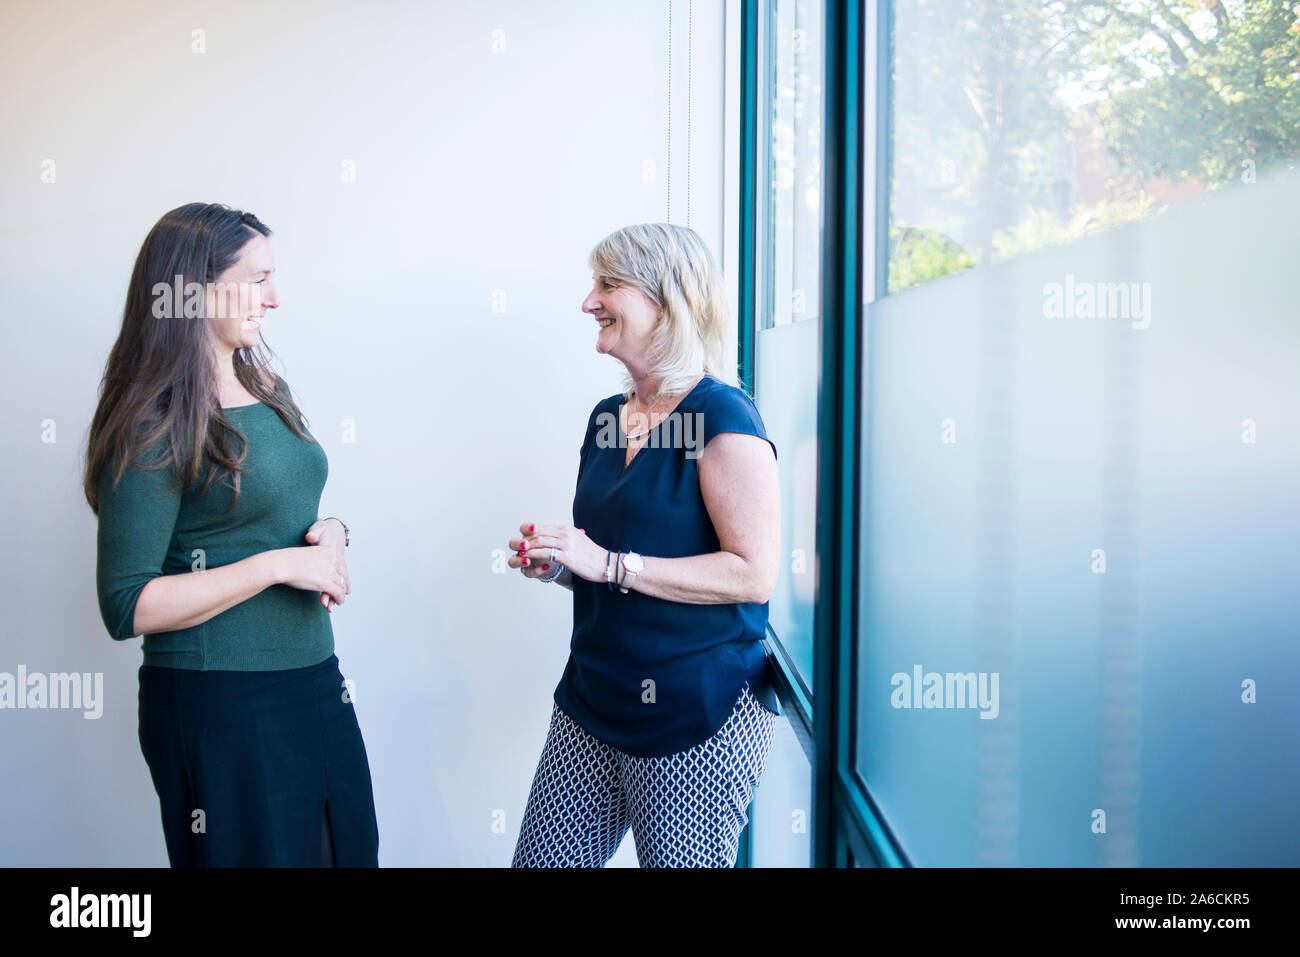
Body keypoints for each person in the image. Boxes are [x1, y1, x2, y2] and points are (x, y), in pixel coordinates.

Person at [84, 203, 378, 866]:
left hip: (313, 680)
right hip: (221, 700)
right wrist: (276, 567)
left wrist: (332, 531)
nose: (274, 299)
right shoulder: (154, 421)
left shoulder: (265, 383)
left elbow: (284, 507)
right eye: (258, 279)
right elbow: (125, 603)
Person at [509, 222, 781, 867]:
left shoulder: (723, 417)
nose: (587, 301)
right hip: (592, 699)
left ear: (666, 300)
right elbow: (619, 565)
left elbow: (752, 575)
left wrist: (605, 563)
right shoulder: (609, 417)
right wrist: (562, 566)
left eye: (609, 285)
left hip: (694, 715)